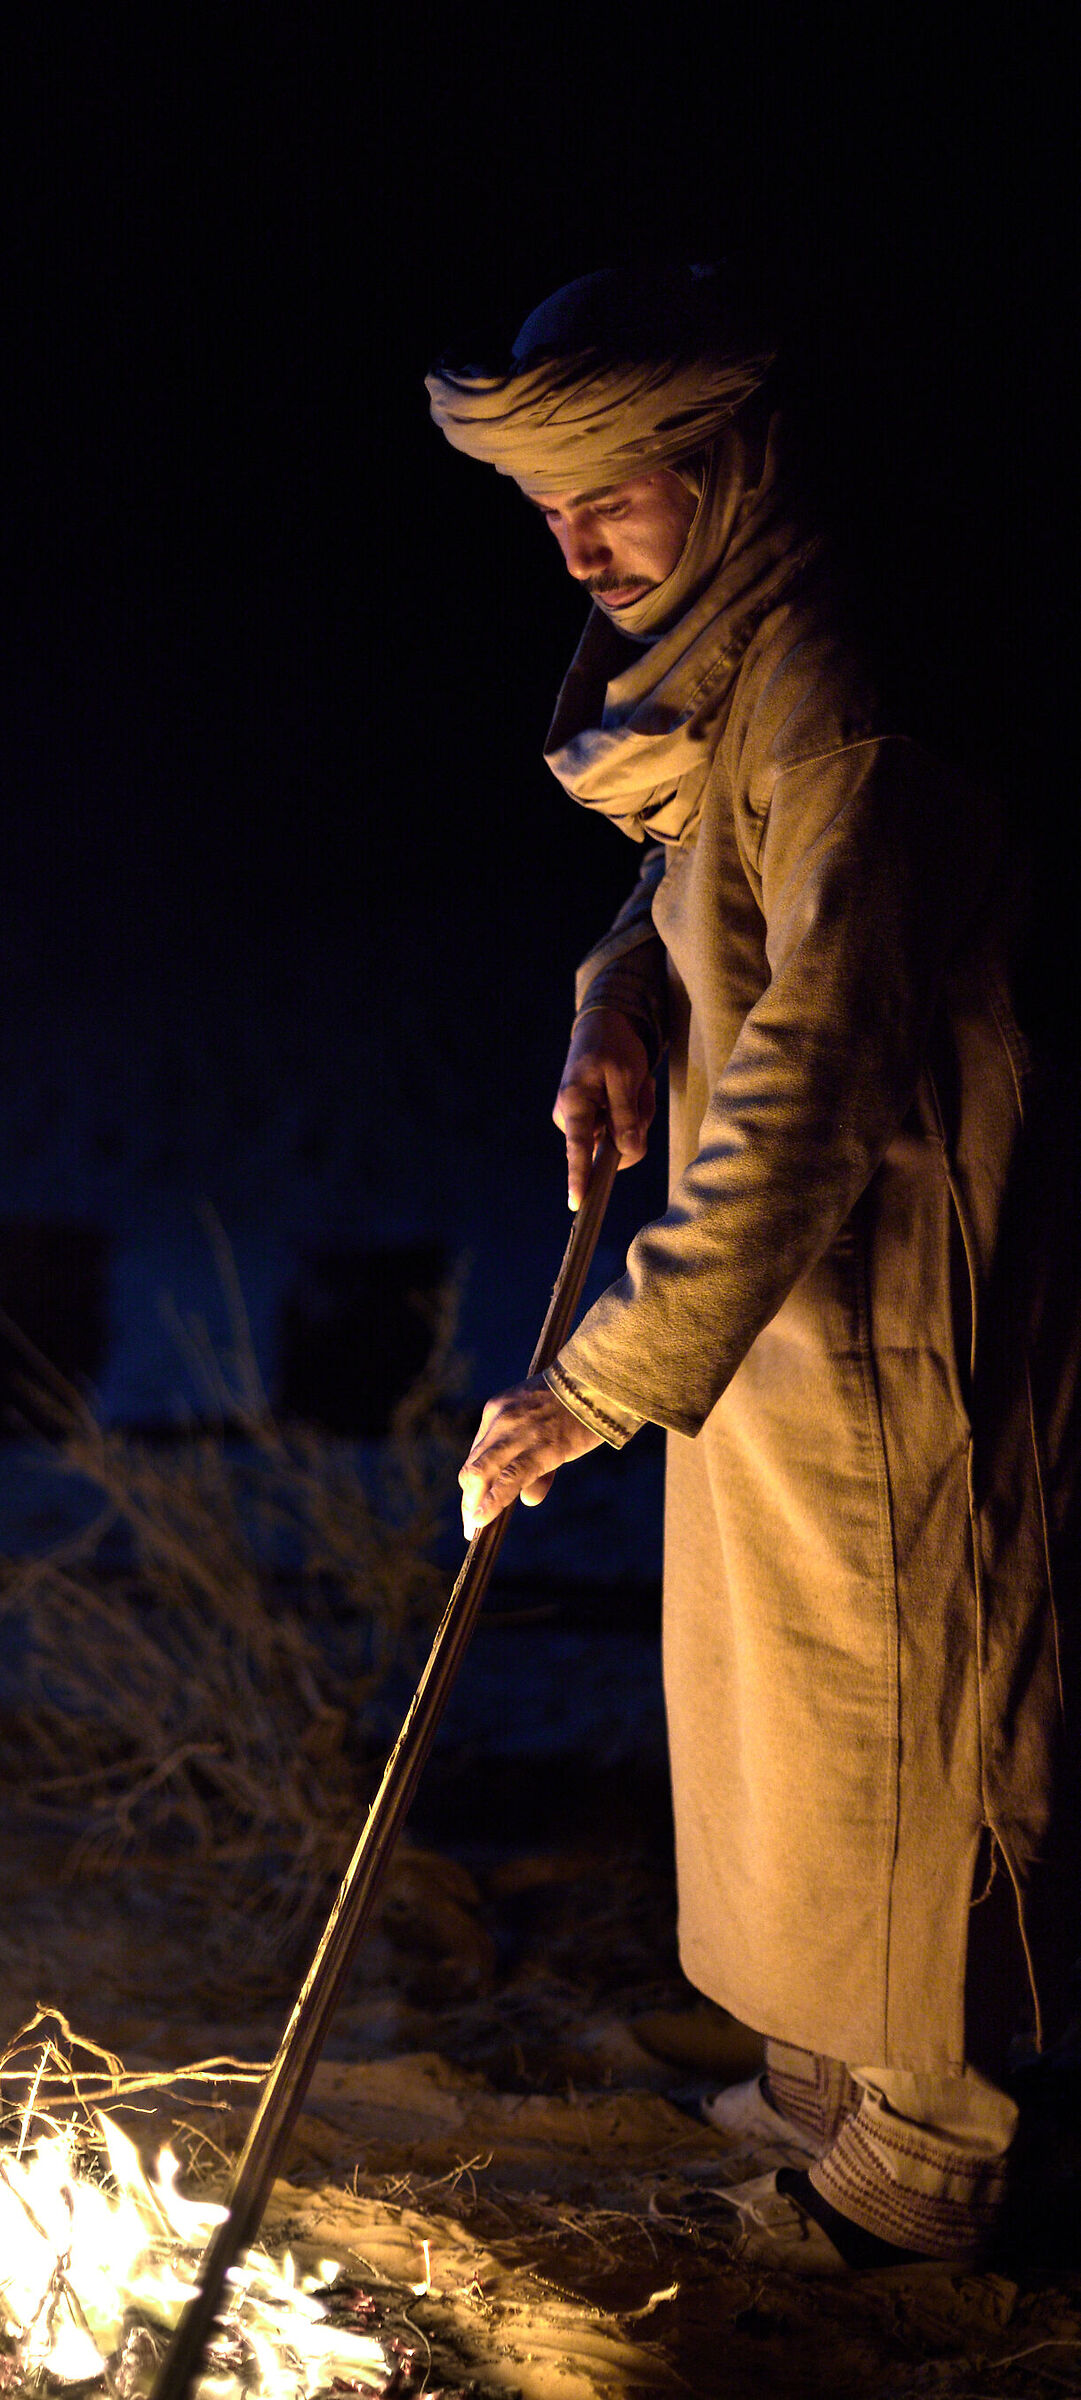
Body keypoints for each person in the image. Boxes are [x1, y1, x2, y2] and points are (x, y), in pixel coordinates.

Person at [427, 264, 1079, 2273]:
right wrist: (619, 999)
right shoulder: (740, 648)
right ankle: (820, 2061)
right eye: (550, 511)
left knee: (915, 1698)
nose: (575, 540)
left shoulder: (841, 684)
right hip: (773, 1293)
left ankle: (933, 2149)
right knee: (781, 1700)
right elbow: (686, 872)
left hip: (894, 1275)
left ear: (725, 459)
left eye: (609, 492)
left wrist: (606, 1376)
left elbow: (813, 1057)